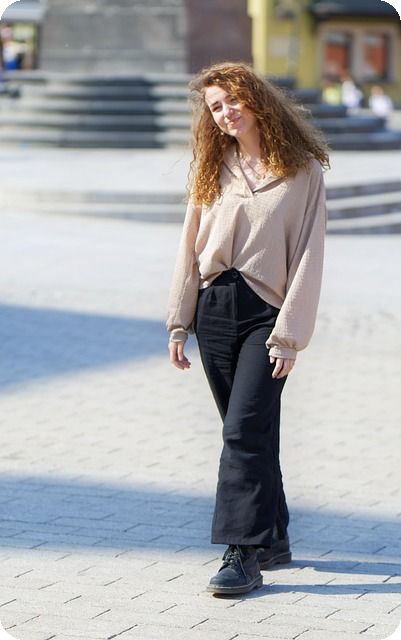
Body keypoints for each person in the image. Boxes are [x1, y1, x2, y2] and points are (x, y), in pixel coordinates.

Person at [166, 61, 329, 596]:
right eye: (215, 107)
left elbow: (308, 255)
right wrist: (179, 321)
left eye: (233, 100)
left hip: (267, 315)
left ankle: (242, 553)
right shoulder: (213, 168)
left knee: (241, 432)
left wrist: (290, 335)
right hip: (214, 309)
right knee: (251, 433)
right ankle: (274, 537)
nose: (226, 112)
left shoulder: (302, 171)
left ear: (257, 100)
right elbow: (189, 246)